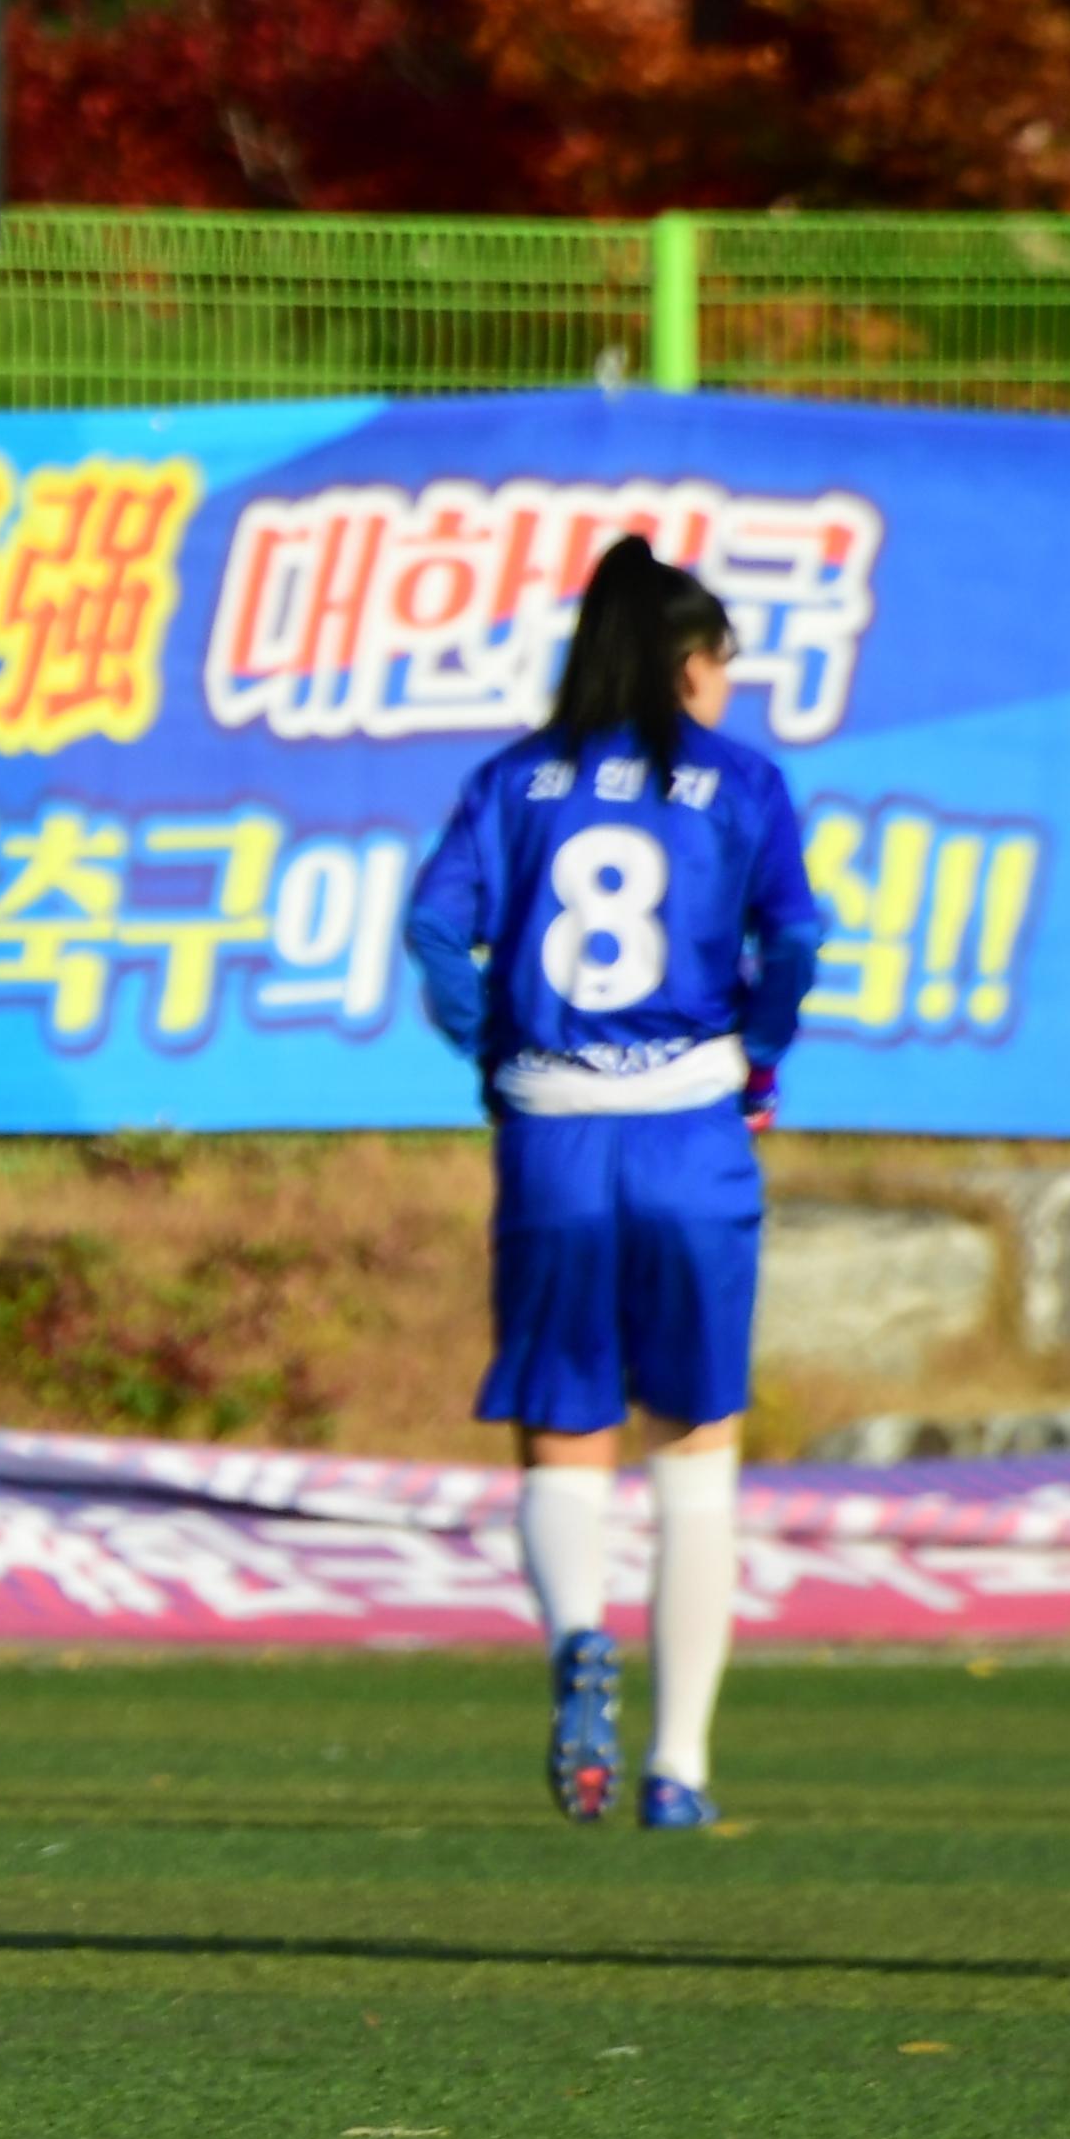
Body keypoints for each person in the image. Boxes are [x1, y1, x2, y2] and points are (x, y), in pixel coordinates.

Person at [401, 535, 825, 1830]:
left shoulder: (512, 782)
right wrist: (758, 1048)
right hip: (691, 1128)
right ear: (691, 665)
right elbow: (792, 940)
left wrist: (491, 1042)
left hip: (553, 1131)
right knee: (697, 1451)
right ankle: (680, 1771)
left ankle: (580, 1638)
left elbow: (434, 926)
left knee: (565, 1431)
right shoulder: (739, 783)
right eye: (722, 669)